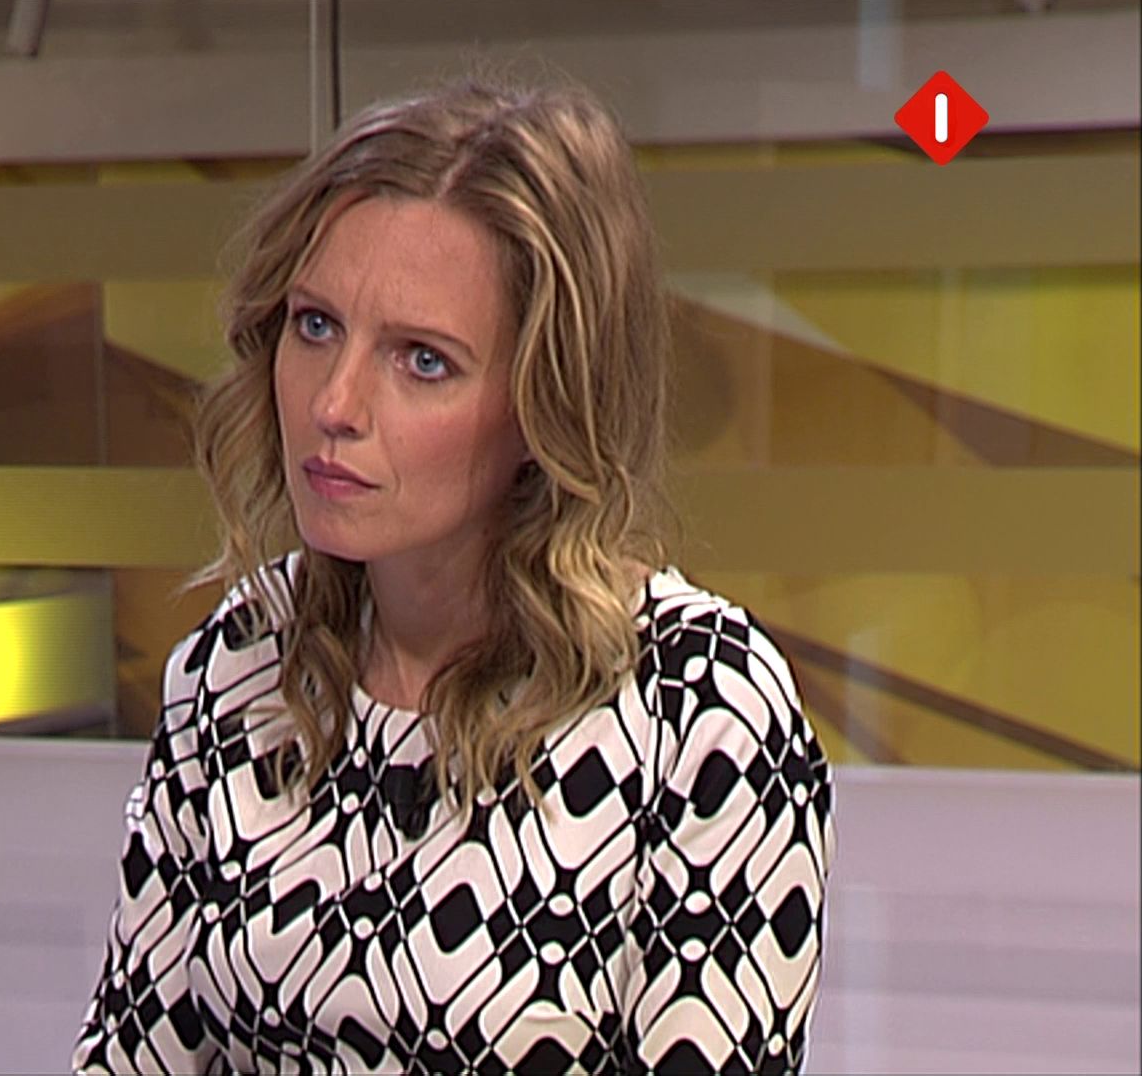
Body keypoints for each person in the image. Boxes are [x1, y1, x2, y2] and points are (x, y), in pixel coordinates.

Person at [73, 73, 835, 1075]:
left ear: (545, 402)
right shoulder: (238, 667)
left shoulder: (698, 713)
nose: (335, 405)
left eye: (422, 360)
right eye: (315, 326)